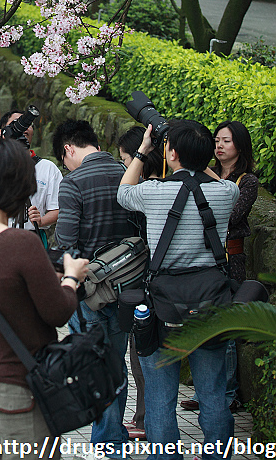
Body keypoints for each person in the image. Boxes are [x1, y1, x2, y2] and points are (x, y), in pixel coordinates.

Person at [0, 136, 88, 459]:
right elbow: (57, 312)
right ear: (18, 185)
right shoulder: (21, 244)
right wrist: (70, 278)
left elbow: (4, 294)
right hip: (17, 393)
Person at [117, 120, 239, 460]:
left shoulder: (154, 192)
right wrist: (197, 166)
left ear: (170, 153)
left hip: (163, 307)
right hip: (210, 305)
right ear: (208, 155)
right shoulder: (227, 193)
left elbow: (123, 193)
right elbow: (214, 180)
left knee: (160, 396)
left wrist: (144, 149)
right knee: (213, 393)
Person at [52, 119, 136, 459]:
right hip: (130, 287)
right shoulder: (128, 173)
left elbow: (67, 243)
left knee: (93, 364)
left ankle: (107, 443)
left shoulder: (73, 183)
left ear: (69, 149)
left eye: (63, 159)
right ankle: (114, 435)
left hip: (90, 292)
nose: (65, 165)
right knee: (117, 359)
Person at [180, 119, 258, 414]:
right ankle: (208, 393)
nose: (219, 146)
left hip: (230, 261)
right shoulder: (203, 177)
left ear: (240, 145)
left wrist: (206, 173)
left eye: (226, 141)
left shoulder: (247, 181)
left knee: (224, 329)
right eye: (216, 140)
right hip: (205, 257)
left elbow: (232, 215)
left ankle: (228, 394)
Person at [117, 126, 163, 441]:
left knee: (143, 355)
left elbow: (124, 195)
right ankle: (146, 418)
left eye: (127, 159)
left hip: (148, 284)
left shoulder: (147, 191)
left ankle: (146, 420)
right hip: (166, 284)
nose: (125, 167)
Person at [0, 110, 61, 231]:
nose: (24, 127)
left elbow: (58, 208)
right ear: (2, 133)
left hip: (33, 237)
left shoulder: (47, 167)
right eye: (16, 123)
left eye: (29, 123)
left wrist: (41, 221)